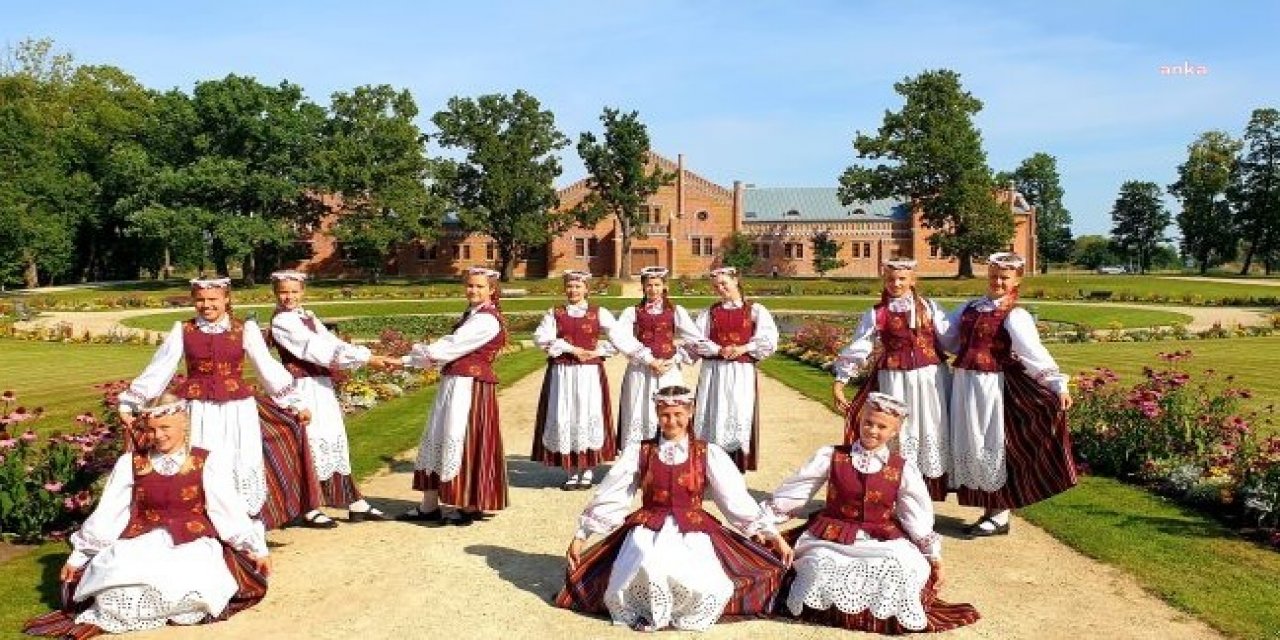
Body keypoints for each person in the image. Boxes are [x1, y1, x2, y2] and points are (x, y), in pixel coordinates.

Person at [25, 394, 270, 638]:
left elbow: (225, 509)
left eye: (165, 428)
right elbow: (109, 512)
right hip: (142, 536)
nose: (158, 436)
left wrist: (254, 548)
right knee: (120, 568)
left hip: (192, 539)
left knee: (190, 571)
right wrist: (79, 556)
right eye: (151, 430)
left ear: (184, 423)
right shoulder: (130, 463)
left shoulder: (205, 461)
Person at [556, 386, 792, 632]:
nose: (672, 421)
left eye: (678, 414)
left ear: (690, 413)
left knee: (706, 583)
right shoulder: (641, 451)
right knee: (646, 563)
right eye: (665, 415)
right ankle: (650, 608)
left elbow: (735, 500)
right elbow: (612, 495)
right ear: (657, 414)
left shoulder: (707, 453)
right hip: (648, 528)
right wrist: (581, 536)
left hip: (693, 530)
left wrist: (773, 536)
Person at [764, 392, 980, 634]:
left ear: (894, 432)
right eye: (868, 422)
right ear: (860, 421)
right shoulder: (832, 456)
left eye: (882, 426)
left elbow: (915, 516)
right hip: (831, 534)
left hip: (881, 535)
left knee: (903, 565)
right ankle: (827, 611)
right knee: (821, 563)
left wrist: (934, 557)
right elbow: (795, 493)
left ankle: (883, 618)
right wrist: (766, 525)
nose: (872, 431)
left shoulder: (903, 468)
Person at [115, 277, 308, 524]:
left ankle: (243, 523)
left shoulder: (244, 329)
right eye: (200, 300)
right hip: (197, 409)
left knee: (239, 458)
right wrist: (130, 401)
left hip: (237, 410)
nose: (206, 305)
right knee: (200, 458)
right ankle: (203, 522)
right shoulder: (183, 329)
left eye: (213, 299)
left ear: (226, 299)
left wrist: (295, 403)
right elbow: (160, 368)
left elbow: (266, 367)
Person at [941, 252, 1076, 537]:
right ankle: (988, 508)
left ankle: (1000, 512)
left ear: (1017, 279)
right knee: (972, 443)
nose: (998, 282)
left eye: (1004, 277)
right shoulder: (970, 308)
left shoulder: (1015, 315)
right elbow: (946, 337)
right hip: (966, 383)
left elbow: (1033, 353)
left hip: (993, 386)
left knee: (993, 444)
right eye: (993, 276)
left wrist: (1056, 383)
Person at [268, 270, 401, 526]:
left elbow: (330, 341)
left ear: (303, 292)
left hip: (320, 384)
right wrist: (366, 358)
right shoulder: (283, 321)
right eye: (284, 291)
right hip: (301, 386)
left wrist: (368, 356)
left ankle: (354, 501)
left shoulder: (307, 316)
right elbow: (314, 349)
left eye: (294, 291)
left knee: (332, 439)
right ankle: (309, 505)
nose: (289, 297)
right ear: (275, 293)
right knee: (311, 441)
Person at [397, 267, 509, 526]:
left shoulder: (486, 320)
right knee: (439, 435)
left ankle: (468, 504)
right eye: (470, 285)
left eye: (480, 286)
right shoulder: (473, 315)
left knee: (463, 439)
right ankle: (429, 505)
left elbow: (450, 346)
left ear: (492, 289)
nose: (473, 290)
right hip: (455, 383)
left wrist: (404, 359)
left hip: (470, 387)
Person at [832, 258, 952, 500]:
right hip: (894, 380)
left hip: (930, 380)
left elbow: (951, 339)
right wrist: (841, 381)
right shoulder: (877, 313)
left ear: (913, 280)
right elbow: (860, 347)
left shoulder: (929, 308)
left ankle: (928, 494)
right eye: (890, 279)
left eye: (901, 279)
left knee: (930, 427)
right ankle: (892, 495)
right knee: (896, 431)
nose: (895, 284)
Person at [532, 270, 619, 490]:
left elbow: (619, 337)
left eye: (578, 286)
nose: (573, 290)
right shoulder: (555, 312)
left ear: (586, 289)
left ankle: (588, 468)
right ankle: (570, 469)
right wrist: (572, 349)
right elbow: (541, 338)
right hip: (563, 372)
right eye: (570, 286)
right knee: (565, 413)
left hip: (588, 373)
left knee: (587, 413)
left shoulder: (598, 312)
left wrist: (597, 351)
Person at [690, 266, 778, 472]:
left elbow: (768, 339)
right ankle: (709, 463)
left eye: (724, 284)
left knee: (738, 410)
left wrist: (743, 348)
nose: (720, 289)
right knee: (713, 409)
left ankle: (735, 462)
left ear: (736, 281)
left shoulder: (754, 310)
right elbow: (696, 339)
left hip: (740, 372)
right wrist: (718, 349)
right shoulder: (710, 312)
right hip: (714, 371)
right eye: (716, 286)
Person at [607, 266, 703, 450]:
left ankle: (670, 457)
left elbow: (696, 338)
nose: (653, 289)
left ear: (664, 286)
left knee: (670, 409)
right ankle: (637, 460)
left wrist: (676, 357)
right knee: (638, 408)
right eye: (649, 285)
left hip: (668, 369)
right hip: (642, 369)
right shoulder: (632, 312)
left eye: (657, 285)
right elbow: (620, 337)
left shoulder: (676, 311)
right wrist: (647, 359)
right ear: (643, 287)